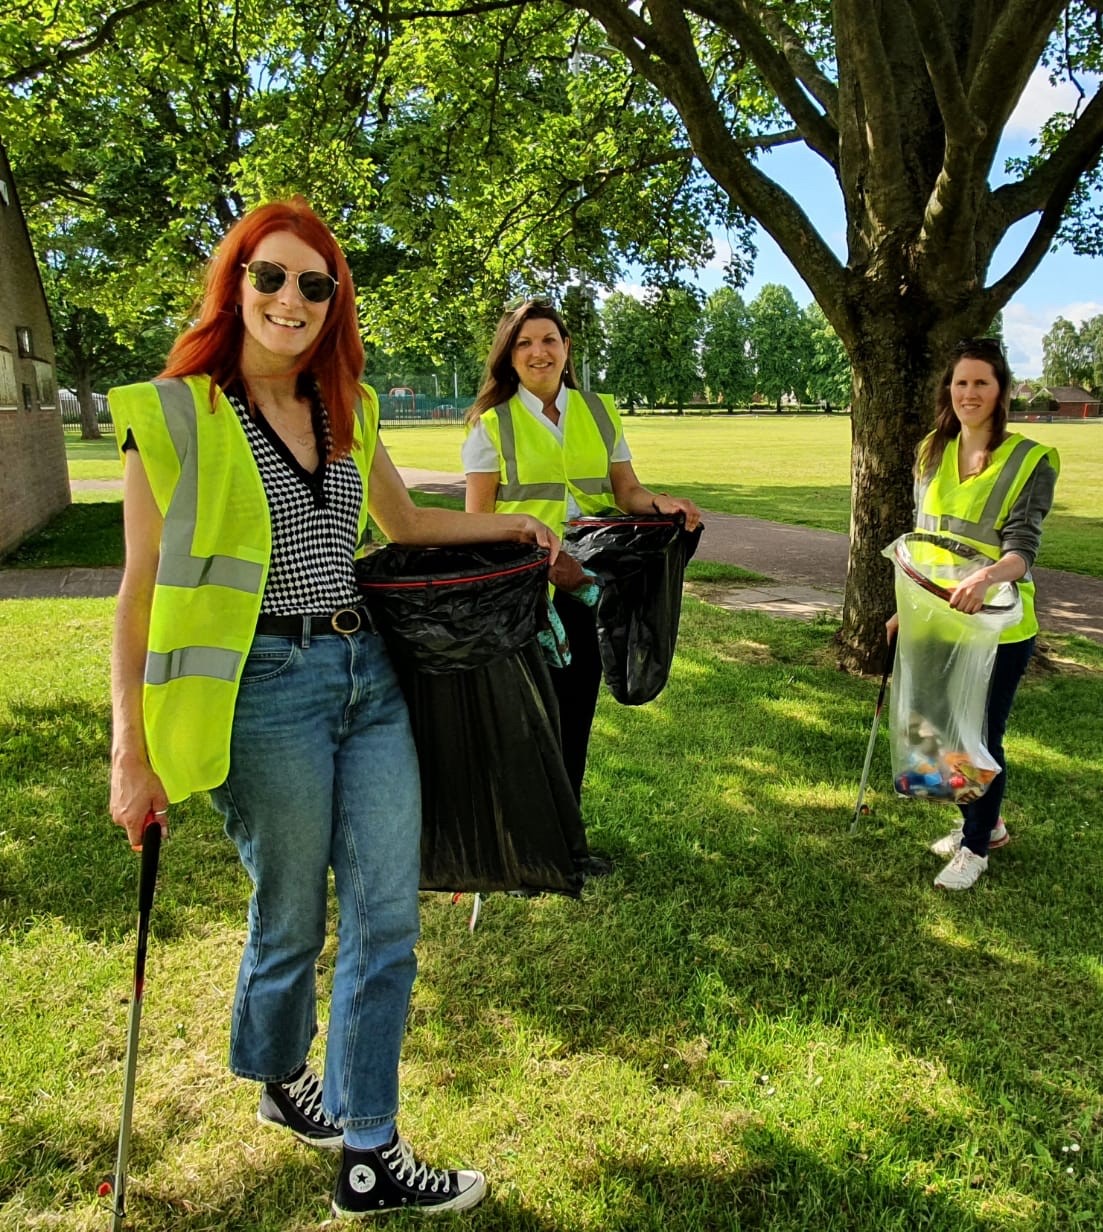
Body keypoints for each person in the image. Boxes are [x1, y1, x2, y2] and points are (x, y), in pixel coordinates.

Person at [108, 198, 560, 1218]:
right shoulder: (177, 411)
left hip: (369, 679)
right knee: (291, 912)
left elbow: (400, 523)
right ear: (236, 284)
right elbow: (135, 594)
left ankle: (370, 1146)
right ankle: (277, 1072)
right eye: (269, 276)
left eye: (316, 284)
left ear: (334, 304)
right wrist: (128, 752)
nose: (291, 298)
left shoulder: (342, 404)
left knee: (384, 915)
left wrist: (507, 524)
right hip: (263, 693)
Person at [461, 301, 701, 808]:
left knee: (575, 711)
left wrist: (661, 502)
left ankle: (568, 835)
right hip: (526, 593)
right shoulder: (491, 425)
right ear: (509, 357)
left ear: (567, 349)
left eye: (549, 340)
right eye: (524, 343)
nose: (538, 352)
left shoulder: (599, 411)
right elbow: (478, 523)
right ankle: (528, 835)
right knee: (531, 715)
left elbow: (627, 490)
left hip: (588, 586)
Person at [888, 337, 1058, 891]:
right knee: (931, 728)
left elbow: (1021, 548)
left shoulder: (1029, 459)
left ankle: (977, 846)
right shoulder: (930, 452)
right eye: (961, 382)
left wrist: (985, 578)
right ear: (949, 390)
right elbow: (921, 541)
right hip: (936, 620)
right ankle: (981, 821)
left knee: (980, 734)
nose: (969, 393)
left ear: (1001, 391)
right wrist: (902, 611)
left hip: (998, 625)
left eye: (981, 382)